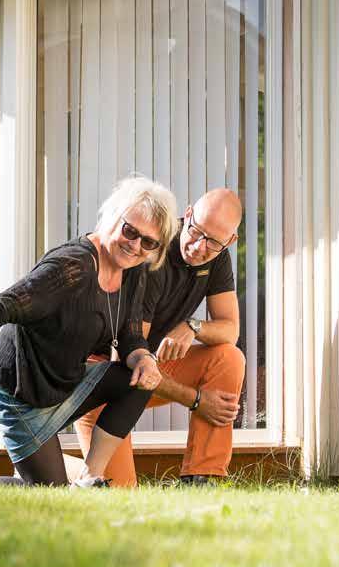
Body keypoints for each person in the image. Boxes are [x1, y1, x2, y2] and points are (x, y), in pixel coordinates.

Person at [0, 176, 178, 488]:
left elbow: (131, 334)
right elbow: (3, 306)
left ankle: (90, 479)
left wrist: (143, 358)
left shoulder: (133, 271)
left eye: (149, 242)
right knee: (46, 494)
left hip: (65, 383)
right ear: (112, 216)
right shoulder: (72, 266)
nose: (135, 245)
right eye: (130, 231)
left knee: (140, 381)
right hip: (20, 391)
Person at [75, 188, 245, 485]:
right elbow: (130, 363)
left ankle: (202, 479)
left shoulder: (217, 257)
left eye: (214, 242)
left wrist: (193, 326)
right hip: (104, 379)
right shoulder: (152, 251)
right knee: (116, 495)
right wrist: (196, 400)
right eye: (196, 231)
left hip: (147, 370)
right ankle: (56, 470)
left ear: (229, 242)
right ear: (188, 213)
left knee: (228, 357)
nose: (199, 247)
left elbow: (230, 330)